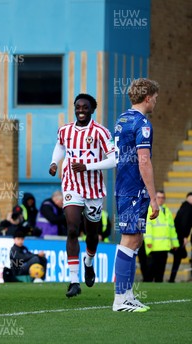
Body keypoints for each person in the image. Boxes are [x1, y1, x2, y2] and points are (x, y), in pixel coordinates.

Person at [49, 93, 116, 298]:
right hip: (71, 186)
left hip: (93, 189)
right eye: (78, 107)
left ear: (92, 109)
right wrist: (54, 162)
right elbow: (60, 146)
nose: (81, 110)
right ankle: (73, 280)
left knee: (92, 234)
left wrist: (88, 166)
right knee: (72, 228)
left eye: (85, 107)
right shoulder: (65, 130)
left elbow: (114, 159)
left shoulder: (101, 132)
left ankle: (89, 261)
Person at [112, 78, 160, 312]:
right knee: (129, 239)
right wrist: (153, 197)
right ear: (148, 97)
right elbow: (144, 161)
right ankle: (120, 299)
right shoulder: (143, 123)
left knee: (136, 239)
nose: (156, 101)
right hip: (133, 189)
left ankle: (128, 295)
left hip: (125, 187)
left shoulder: (122, 118)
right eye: (156, 97)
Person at [143, 190, 178, 282]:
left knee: (160, 271)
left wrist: (175, 243)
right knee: (150, 271)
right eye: (158, 197)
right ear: (155, 198)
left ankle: (159, 287)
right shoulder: (150, 210)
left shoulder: (167, 211)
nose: (161, 199)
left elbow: (171, 228)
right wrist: (148, 241)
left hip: (164, 246)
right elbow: (148, 226)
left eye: (163, 197)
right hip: (153, 246)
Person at [169, 191, 192, 282]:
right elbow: (184, 223)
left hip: (178, 235)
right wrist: (185, 236)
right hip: (180, 236)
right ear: (188, 198)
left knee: (178, 257)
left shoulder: (184, 206)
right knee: (179, 257)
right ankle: (171, 279)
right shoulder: (188, 208)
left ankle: (172, 279)